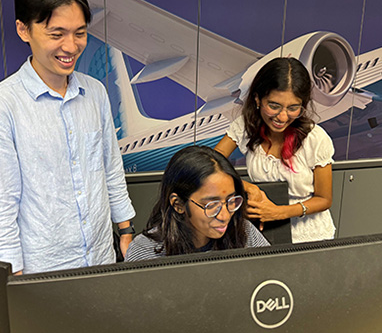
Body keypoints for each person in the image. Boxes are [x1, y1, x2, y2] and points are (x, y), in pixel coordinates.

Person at [0, 0, 135, 275]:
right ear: (24, 30)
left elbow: (110, 166)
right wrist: (15, 275)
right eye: (56, 34)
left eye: (80, 32)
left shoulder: (95, 92)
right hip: (43, 270)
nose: (71, 46)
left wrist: (125, 229)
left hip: (101, 258)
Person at [215, 57, 335, 243]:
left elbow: (324, 199)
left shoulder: (315, 138)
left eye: (293, 108)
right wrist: (246, 187)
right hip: (263, 232)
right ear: (257, 99)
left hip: (310, 236)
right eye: (274, 106)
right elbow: (210, 161)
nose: (282, 116)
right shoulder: (245, 127)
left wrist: (279, 213)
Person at [125, 146, 270, 262]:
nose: (225, 216)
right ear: (178, 204)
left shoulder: (244, 232)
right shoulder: (146, 251)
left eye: (231, 201)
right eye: (212, 205)